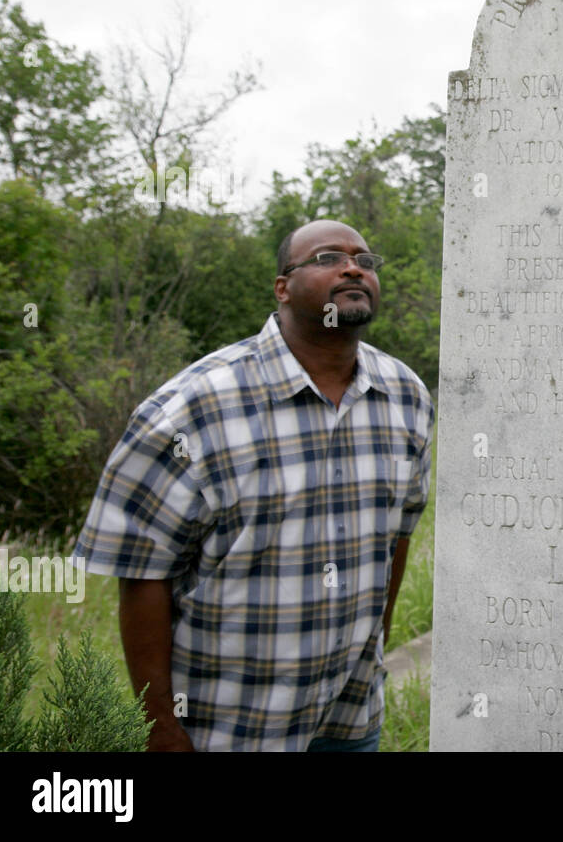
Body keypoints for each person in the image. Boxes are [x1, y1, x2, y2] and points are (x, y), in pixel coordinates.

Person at [75, 219, 435, 751]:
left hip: (351, 721)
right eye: (327, 257)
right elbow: (142, 574)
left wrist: (375, 651)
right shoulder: (193, 408)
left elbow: (395, 537)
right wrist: (160, 729)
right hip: (234, 728)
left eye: (364, 259)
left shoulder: (405, 396)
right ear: (282, 287)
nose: (354, 267)